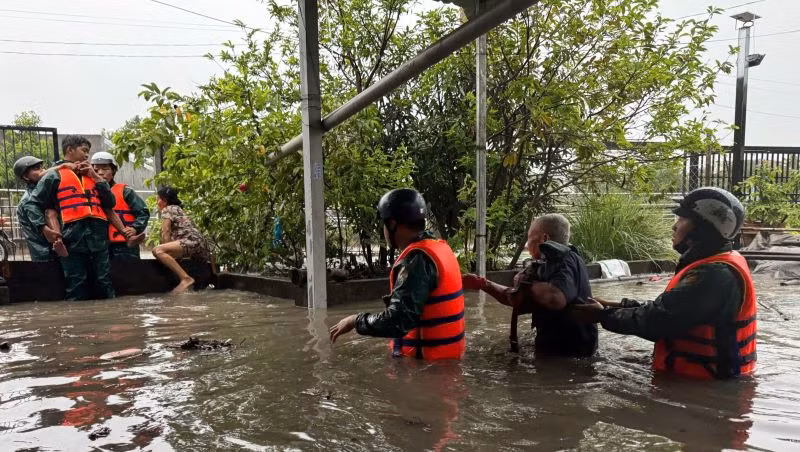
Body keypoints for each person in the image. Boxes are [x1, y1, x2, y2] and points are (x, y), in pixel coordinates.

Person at [572, 187, 756, 380]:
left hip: (705, 386)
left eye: (682, 219)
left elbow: (660, 321)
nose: (674, 226)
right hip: (704, 381)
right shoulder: (717, 263)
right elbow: (672, 309)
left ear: (703, 228)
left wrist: (602, 315)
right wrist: (617, 305)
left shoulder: (715, 274)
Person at [329, 188, 466, 360]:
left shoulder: (417, 261)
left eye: (384, 224)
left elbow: (396, 321)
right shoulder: (439, 249)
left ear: (393, 224)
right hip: (447, 363)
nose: (383, 230)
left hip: (426, 371)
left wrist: (354, 321)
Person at [462, 214, 598, 357]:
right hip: (559, 352)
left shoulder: (566, 259)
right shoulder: (550, 266)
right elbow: (516, 299)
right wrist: (483, 283)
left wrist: (525, 282)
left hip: (570, 356)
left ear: (544, 239)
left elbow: (555, 298)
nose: (527, 245)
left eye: (529, 237)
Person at [28, 136, 127, 300]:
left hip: (98, 239)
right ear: (70, 150)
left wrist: (96, 177)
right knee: (76, 285)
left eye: (88, 152)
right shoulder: (55, 176)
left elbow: (110, 203)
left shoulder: (93, 175)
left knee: (104, 282)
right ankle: (76, 322)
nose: (87, 156)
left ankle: (109, 319)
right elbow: (33, 205)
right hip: (71, 240)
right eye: (84, 151)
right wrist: (44, 228)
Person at [90, 152, 150, 259]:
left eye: (105, 169)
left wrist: (135, 228)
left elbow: (143, 213)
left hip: (124, 246)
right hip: (99, 246)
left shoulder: (126, 192)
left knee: (127, 274)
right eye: (96, 170)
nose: (100, 173)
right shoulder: (88, 192)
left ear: (113, 170)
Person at [153, 186, 209, 293]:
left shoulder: (168, 209)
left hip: (190, 241)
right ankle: (188, 283)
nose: (157, 202)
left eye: (158, 199)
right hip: (200, 245)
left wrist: (165, 250)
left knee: (158, 250)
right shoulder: (179, 209)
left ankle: (186, 279)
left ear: (164, 200)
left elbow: (166, 232)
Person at [13, 156, 68, 261]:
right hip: (45, 254)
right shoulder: (29, 199)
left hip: (50, 252)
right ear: (25, 176)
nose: (42, 170)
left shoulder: (42, 192)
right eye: (36, 168)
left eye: (42, 167)